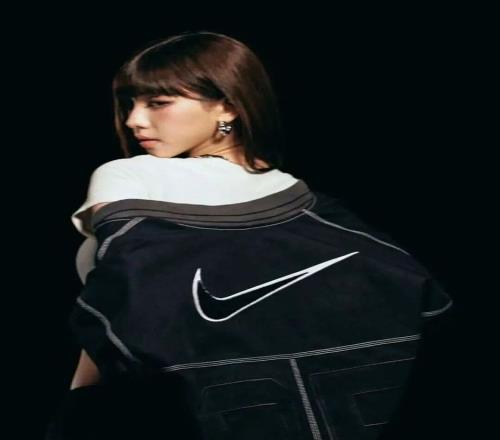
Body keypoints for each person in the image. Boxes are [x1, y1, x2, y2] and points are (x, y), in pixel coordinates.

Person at [46, 30, 454, 439]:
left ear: (227, 105)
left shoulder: (129, 175)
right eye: (129, 103)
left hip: (167, 409)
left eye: (158, 102)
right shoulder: (311, 208)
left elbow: (130, 303)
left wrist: (75, 408)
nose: (133, 120)